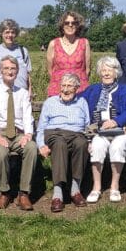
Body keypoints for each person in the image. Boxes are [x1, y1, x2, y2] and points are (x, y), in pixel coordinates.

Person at [81, 57, 126, 204]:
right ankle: (96, 187)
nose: (106, 74)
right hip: (100, 131)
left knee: (118, 146)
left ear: (116, 72)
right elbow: (77, 99)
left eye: (109, 70)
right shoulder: (92, 90)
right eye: (103, 70)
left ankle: (114, 186)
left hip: (122, 130)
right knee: (97, 146)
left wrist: (116, 121)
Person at [0, 55, 37, 211]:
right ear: (0, 71)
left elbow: (28, 117)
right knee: (1, 152)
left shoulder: (22, 93)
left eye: (13, 68)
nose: (10, 71)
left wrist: (28, 134)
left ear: (17, 71)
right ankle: (4, 192)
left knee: (32, 148)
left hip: (19, 133)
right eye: (6, 68)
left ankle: (24, 193)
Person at [36, 73, 91, 212]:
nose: (65, 90)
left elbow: (87, 126)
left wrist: (90, 141)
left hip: (76, 134)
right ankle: (58, 193)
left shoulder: (82, 102)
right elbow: (41, 127)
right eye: (63, 85)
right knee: (60, 144)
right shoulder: (50, 102)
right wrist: (41, 145)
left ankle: (75, 189)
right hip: (55, 133)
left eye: (69, 86)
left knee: (81, 143)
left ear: (77, 88)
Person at [45, 11, 90, 97]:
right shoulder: (53, 44)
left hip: (80, 90)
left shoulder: (84, 43)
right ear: (62, 26)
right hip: (58, 90)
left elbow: (87, 70)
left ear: (78, 26)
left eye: (74, 23)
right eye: (67, 23)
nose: (70, 25)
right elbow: (50, 71)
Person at [0, 19, 32, 95]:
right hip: (2, 94)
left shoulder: (23, 51)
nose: (10, 35)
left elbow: (28, 75)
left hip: (22, 94)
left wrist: (30, 90)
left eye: (12, 32)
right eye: (7, 32)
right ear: (1, 33)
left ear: (16, 34)